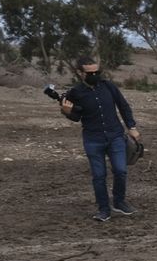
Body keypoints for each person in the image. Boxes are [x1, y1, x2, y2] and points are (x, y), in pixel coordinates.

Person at [59, 56, 142, 222]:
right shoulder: (75, 93)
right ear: (81, 73)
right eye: (90, 72)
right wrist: (67, 112)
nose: (95, 74)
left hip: (116, 136)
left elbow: (123, 106)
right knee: (99, 175)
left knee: (121, 170)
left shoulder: (109, 87)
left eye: (97, 71)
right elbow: (76, 116)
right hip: (93, 139)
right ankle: (104, 209)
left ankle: (119, 202)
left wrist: (131, 127)